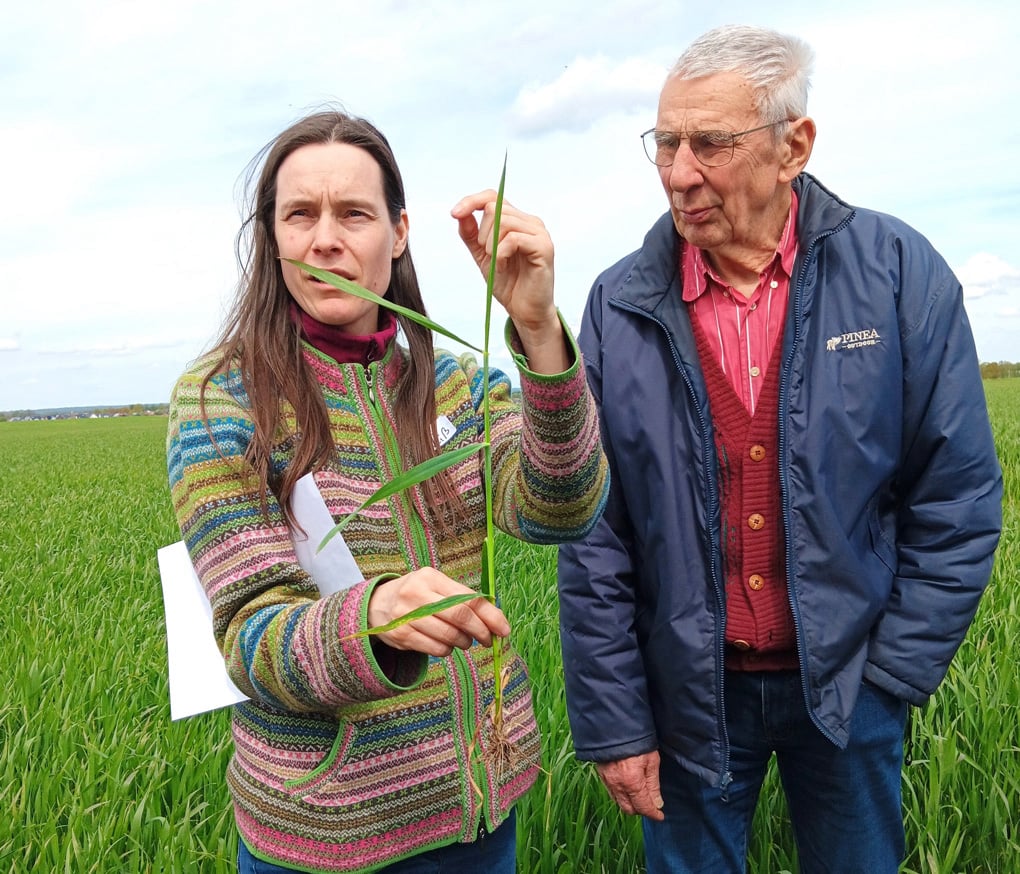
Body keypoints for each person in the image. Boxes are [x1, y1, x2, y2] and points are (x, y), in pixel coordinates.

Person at [557, 24, 1003, 874]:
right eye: (666, 142)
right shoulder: (620, 303)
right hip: (689, 695)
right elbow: (595, 532)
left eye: (711, 144)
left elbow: (958, 498)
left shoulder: (900, 273)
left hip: (848, 685)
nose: (679, 172)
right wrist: (617, 721)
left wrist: (890, 679)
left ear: (793, 146)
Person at [167, 109, 608, 874]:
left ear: (399, 233)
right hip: (329, 834)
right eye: (299, 214)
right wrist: (369, 619)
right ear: (273, 237)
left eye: (355, 214)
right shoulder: (224, 400)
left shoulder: (457, 384)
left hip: (480, 811)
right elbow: (248, 633)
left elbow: (558, 505)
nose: (325, 238)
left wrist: (537, 329)